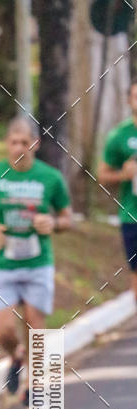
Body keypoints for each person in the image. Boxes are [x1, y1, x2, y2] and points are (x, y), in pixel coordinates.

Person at [0, 116, 72, 405]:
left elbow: (67, 218)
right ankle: (17, 355)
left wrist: (53, 222)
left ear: (35, 144)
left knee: (34, 323)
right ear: (7, 144)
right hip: (4, 263)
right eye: (13, 142)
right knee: (3, 328)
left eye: (24, 142)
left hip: (39, 262)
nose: (18, 148)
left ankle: (34, 387)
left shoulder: (50, 178)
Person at [98, 80, 137, 299]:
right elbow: (102, 176)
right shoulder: (119, 136)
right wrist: (124, 174)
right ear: (129, 101)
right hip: (132, 217)